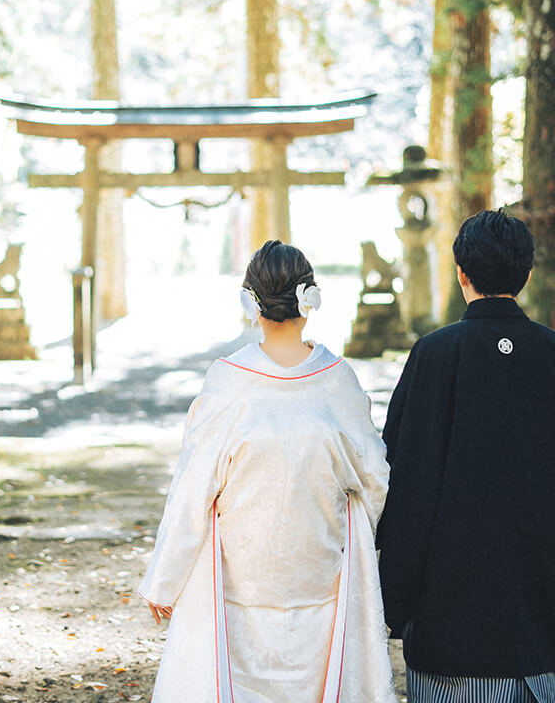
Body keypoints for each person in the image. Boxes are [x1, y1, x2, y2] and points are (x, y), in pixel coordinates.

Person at [138, 239, 396, 703]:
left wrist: (166, 578)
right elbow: (375, 478)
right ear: (310, 300)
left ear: (249, 302)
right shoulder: (337, 380)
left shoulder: (229, 380)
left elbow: (194, 488)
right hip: (322, 579)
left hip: (241, 583)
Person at [376, 208, 555, 703]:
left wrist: (394, 602)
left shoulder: (435, 354)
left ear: (462, 273)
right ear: (526, 274)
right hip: (535, 611)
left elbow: (405, 485)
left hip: (445, 611)